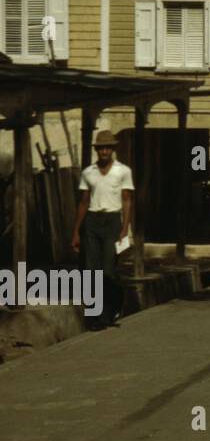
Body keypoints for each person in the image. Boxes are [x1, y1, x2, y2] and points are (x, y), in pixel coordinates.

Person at [71, 129, 134, 330]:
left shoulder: (123, 171)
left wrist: (125, 227)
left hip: (112, 221)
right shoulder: (88, 172)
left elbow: (126, 200)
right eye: (101, 148)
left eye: (108, 148)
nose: (104, 151)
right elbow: (83, 202)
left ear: (113, 150)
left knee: (108, 271)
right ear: (97, 150)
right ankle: (96, 316)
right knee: (91, 271)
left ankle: (113, 307)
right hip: (91, 221)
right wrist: (75, 232)